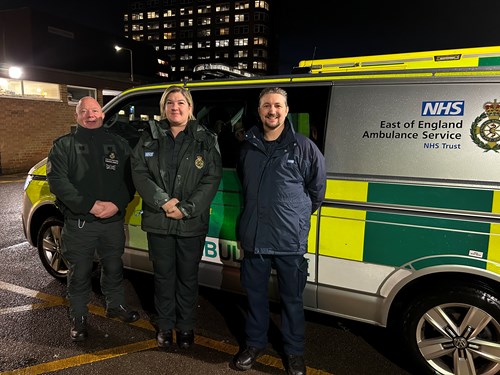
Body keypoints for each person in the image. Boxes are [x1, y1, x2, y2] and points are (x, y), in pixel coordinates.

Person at [234, 87, 326, 375]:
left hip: (289, 240)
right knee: (255, 298)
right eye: (266, 106)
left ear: (287, 110)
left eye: (277, 106)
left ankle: (294, 352)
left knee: (292, 300)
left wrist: (295, 217)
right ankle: (254, 344)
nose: (272, 111)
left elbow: (317, 190)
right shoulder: (247, 147)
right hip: (255, 237)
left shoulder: (303, 147)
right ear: (259, 111)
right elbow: (245, 187)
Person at [130, 86, 222, 350]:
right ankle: (165, 326)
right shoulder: (148, 137)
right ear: (163, 108)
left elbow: (212, 178)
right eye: (169, 103)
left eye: (181, 102)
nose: (175, 107)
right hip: (159, 221)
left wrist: (187, 208)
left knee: (187, 278)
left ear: (190, 107)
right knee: (162, 277)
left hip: (190, 222)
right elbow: (139, 172)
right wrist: (164, 201)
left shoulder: (206, 138)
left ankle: (185, 328)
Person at [46, 96, 139, 342]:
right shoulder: (63, 146)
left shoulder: (118, 144)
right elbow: (58, 183)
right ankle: (78, 317)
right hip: (80, 223)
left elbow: (130, 181)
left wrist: (117, 204)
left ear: (103, 114)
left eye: (95, 110)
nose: (90, 114)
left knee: (113, 267)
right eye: (84, 111)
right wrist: (90, 205)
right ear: (76, 116)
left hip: (112, 221)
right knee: (79, 273)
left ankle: (115, 305)